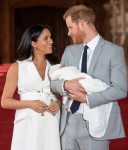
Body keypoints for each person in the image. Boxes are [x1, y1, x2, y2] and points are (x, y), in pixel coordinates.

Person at [51, 5, 128, 150]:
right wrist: (66, 85)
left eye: (70, 27)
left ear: (82, 23)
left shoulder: (114, 51)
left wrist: (87, 99)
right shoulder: (69, 51)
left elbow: (121, 89)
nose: (68, 33)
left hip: (96, 124)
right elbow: (54, 82)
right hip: (67, 124)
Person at [1, 24, 61, 150]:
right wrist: (30, 104)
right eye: (46, 38)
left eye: (51, 37)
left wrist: (58, 103)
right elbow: (5, 102)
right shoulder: (17, 67)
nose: (51, 41)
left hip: (52, 121)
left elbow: (63, 95)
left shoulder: (56, 66)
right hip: (28, 121)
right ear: (33, 43)